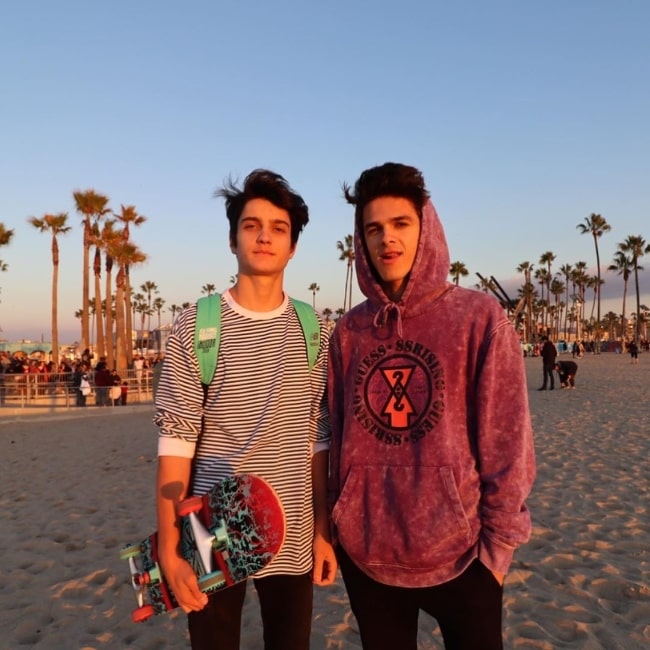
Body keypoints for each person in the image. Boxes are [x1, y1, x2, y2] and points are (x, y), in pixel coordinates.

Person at [327, 162, 535, 650]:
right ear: (361, 241)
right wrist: (338, 521)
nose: (387, 240)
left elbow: (507, 440)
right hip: (368, 554)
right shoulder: (349, 331)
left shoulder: (478, 317)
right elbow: (334, 434)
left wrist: (497, 552)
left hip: (463, 557)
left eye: (400, 224)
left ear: (427, 228)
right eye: (373, 229)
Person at [153, 169, 336, 650]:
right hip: (210, 527)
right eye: (252, 225)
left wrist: (322, 531)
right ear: (233, 239)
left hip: (293, 534)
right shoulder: (198, 325)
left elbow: (318, 439)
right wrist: (171, 551)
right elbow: (175, 444)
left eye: (279, 228)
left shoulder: (314, 328)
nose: (264, 236)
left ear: (293, 246)